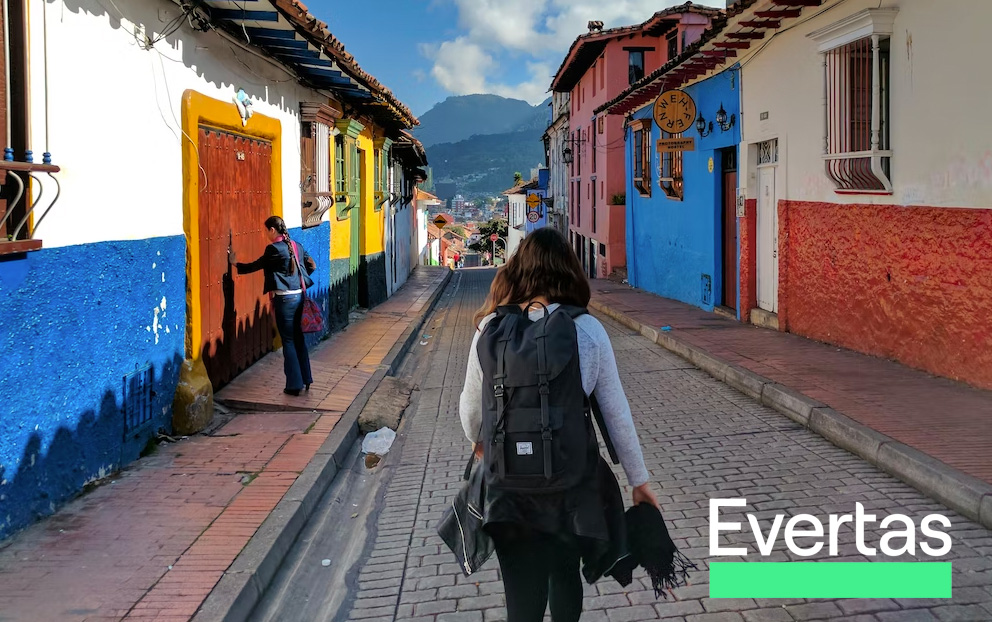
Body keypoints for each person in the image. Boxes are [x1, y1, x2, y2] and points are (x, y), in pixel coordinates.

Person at [458, 227, 658, 622]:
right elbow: (616, 415)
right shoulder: (587, 330)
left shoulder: (489, 329)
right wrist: (639, 481)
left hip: (509, 491)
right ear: (569, 270)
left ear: (517, 271)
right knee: (564, 576)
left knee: (521, 596)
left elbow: (469, 411)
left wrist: (480, 444)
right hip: (569, 489)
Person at [229, 215, 316, 396]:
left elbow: (257, 265)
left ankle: (293, 385)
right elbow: (311, 265)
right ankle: (306, 379)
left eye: (266, 231)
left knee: (289, 341)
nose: (266, 234)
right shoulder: (296, 246)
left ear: (272, 230)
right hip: (300, 296)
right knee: (298, 338)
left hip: (284, 300)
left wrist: (235, 264)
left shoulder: (273, 249)